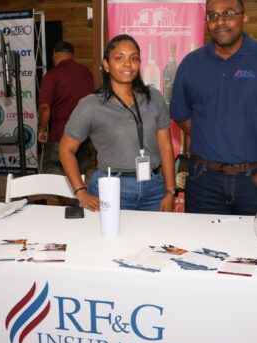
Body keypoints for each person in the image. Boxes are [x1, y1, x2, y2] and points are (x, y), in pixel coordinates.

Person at [170, 0, 257, 215]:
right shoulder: (191, 64)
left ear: (245, 18)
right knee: (201, 239)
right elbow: (181, 116)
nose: (220, 21)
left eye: (228, 14)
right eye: (212, 16)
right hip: (203, 183)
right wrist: (212, 134)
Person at [59, 34, 175, 212]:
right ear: (106, 65)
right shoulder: (91, 104)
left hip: (154, 189)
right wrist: (80, 191)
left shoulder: (154, 98)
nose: (127, 64)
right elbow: (66, 149)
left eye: (133, 58)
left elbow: (166, 146)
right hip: (111, 187)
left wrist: (170, 191)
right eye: (119, 58)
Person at [37, 41, 94, 174]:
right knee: (79, 176)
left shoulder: (52, 75)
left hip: (60, 135)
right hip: (85, 136)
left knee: (54, 174)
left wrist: (42, 129)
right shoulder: (87, 73)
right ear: (72, 55)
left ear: (54, 55)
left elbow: (44, 106)